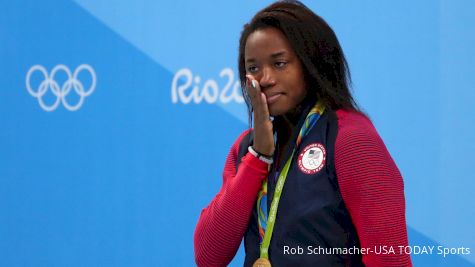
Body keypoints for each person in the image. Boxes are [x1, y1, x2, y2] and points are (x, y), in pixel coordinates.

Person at [194, 1, 412, 266]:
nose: (265, 78)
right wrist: (258, 158)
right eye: (253, 68)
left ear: (311, 62)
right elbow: (208, 256)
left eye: (280, 63)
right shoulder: (246, 148)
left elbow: (390, 260)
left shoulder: (351, 139)